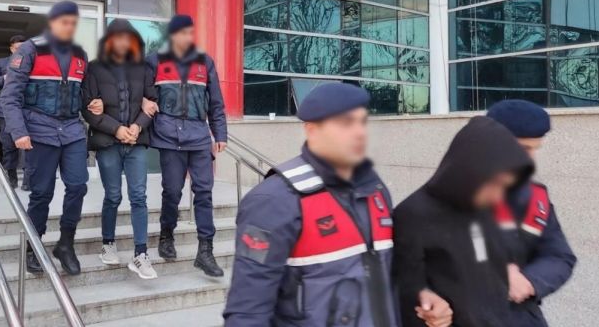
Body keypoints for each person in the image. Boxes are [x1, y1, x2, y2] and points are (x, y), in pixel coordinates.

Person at [224, 83, 450, 327]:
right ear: (312, 130)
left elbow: (382, 270)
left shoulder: (375, 190)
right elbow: (247, 312)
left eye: (362, 122)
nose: (359, 132)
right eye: (345, 123)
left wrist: (420, 293)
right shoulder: (274, 201)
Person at [394, 116, 535, 327]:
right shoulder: (412, 214)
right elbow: (407, 288)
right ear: (466, 172)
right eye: (494, 184)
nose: (498, 195)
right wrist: (428, 305)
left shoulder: (485, 209)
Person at [0, 1, 98, 275]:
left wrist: (95, 103)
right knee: (42, 193)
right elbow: (10, 96)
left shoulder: (80, 54)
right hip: (39, 132)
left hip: (72, 132)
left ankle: (66, 244)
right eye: (64, 22)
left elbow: (83, 94)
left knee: (78, 186)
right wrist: (19, 131)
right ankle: (34, 246)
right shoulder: (30, 50)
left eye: (73, 23)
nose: (69, 27)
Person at [146, 14, 228, 277]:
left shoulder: (205, 62)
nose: (187, 37)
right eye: (182, 33)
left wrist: (220, 134)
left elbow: (216, 102)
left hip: (199, 136)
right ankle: (166, 234)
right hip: (168, 136)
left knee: (204, 192)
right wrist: (143, 104)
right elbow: (142, 92)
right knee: (172, 191)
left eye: (190, 32)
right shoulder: (155, 61)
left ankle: (205, 251)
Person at [81, 18, 160, 279]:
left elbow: (152, 103)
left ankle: (141, 254)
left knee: (139, 197)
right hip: (108, 143)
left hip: (136, 143)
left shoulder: (143, 68)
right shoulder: (95, 68)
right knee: (113, 196)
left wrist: (137, 126)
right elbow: (88, 109)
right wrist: (116, 129)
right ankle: (108, 243)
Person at [486, 100, 576, 327]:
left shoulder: (536, 199)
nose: (530, 159)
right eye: (524, 148)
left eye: (535, 149)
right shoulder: (447, 194)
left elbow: (559, 256)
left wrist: (528, 281)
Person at [0, 34, 26, 189]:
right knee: (9, 146)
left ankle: (28, 181)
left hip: (27, 110)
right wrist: (5, 77)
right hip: (6, 112)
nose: (21, 51)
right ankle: (11, 178)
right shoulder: (1, 63)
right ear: (11, 49)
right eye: (17, 48)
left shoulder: (33, 63)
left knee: (29, 146)